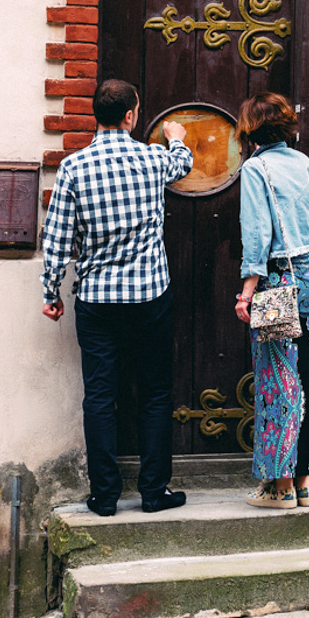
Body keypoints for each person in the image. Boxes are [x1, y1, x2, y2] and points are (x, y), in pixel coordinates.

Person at [40, 77, 193, 516]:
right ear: (130, 116)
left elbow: (57, 240)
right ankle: (153, 492)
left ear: (96, 115)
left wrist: (51, 292)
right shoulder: (152, 159)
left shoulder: (74, 167)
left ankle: (105, 496)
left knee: (100, 396)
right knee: (156, 394)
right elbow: (181, 164)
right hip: (149, 296)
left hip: (97, 300)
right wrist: (176, 137)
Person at [232, 92, 309, 509]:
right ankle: (305, 483)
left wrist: (247, 291)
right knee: (305, 378)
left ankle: (278, 488)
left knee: (277, 383)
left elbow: (257, 235)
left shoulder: (256, 168)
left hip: (276, 281)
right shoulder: (303, 163)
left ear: (251, 128)